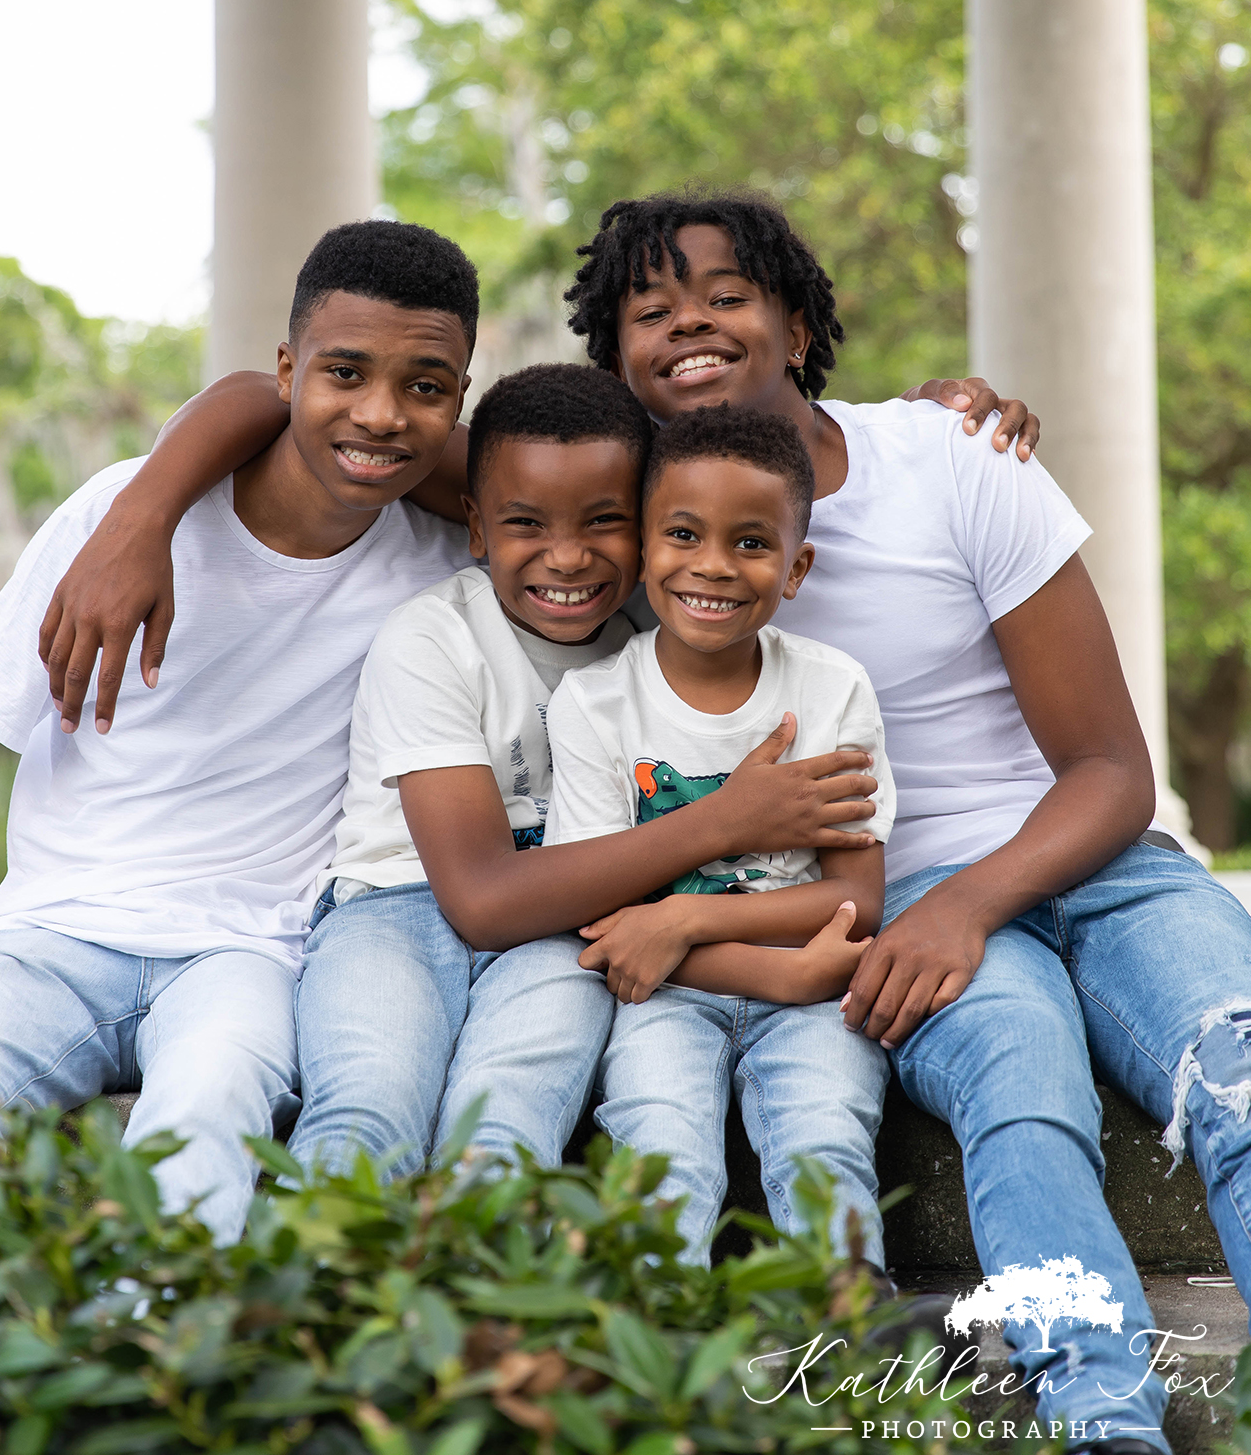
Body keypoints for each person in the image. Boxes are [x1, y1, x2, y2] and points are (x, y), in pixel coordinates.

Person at [561, 190, 1251, 1455]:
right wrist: (160, 491)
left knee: (1239, 1065)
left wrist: (967, 902)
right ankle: (1104, 1417)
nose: (689, 326)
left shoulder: (946, 456)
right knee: (1021, 1092)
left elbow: (1107, 766)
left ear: (799, 318)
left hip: (1079, 861)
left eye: (724, 295)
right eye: (647, 312)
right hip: (896, 883)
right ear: (613, 363)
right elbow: (403, 440)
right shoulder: (629, 530)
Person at [0, 220, 483, 1239]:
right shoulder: (118, 517)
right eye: (343, 371)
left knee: (211, 1115)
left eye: (427, 387)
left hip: (249, 953)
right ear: (285, 369)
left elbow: (544, 478)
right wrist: (140, 518)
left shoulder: (446, 564)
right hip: (53, 930)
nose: (380, 412)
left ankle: (152, 1366)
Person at [293, 363, 876, 1179]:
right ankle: (315, 1298)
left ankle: (488, 1298)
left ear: (643, 530)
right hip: (400, 906)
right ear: (477, 527)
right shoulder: (432, 637)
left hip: (570, 926)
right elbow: (483, 902)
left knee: (510, 1103)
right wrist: (726, 820)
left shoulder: (660, 629)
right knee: (370, 1099)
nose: (566, 559)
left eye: (603, 522)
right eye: (527, 524)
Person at [546, 403, 895, 1263]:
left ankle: (851, 1330)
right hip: (666, 998)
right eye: (683, 534)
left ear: (796, 565)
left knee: (825, 1135)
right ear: (642, 546)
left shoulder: (830, 689)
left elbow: (854, 895)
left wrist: (685, 918)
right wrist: (774, 970)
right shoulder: (593, 704)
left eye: (750, 542)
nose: (713, 566)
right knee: (658, 1144)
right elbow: (602, 917)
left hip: (805, 997)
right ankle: (664, 1354)